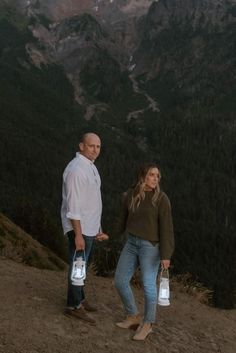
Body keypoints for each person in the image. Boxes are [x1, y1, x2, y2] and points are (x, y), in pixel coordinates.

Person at [114, 163, 174, 340]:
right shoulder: (131, 195)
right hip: (131, 242)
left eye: (157, 175)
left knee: (148, 285)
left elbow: (167, 229)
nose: (155, 178)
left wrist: (166, 255)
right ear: (142, 177)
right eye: (151, 175)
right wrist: (109, 233)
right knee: (119, 281)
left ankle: (148, 323)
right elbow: (122, 219)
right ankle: (133, 316)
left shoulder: (162, 199)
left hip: (151, 247)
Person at [61, 132, 108, 325]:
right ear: (81, 146)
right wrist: (78, 234)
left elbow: (91, 200)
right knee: (78, 265)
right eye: (91, 146)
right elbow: (73, 207)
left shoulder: (90, 166)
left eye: (98, 146)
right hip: (79, 228)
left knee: (82, 265)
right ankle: (73, 306)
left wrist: (97, 227)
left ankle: (79, 297)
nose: (95, 150)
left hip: (89, 226)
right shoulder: (76, 170)